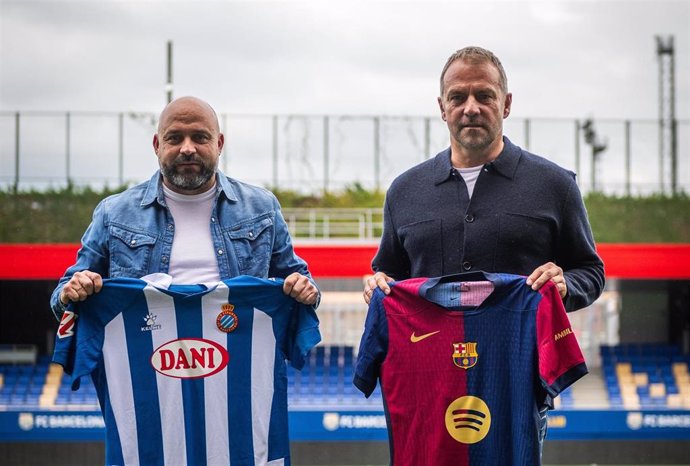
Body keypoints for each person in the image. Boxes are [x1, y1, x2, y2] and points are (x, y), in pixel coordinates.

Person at [362, 46, 605, 453]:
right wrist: (378, 285)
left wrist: (565, 284)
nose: (471, 108)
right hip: (428, 387)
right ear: (442, 108)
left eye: (484, 96)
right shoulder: (404, 191)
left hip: (515, 385)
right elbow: (388, 275)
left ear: (506, 104)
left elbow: (590, 272)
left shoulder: (555, 186)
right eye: (458, 97)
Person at [50, 95, 319, 318]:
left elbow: (301, 283)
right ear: (157, 145)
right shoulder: (114, 213)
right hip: (148, 371)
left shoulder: (262, 208)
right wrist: (71, 291)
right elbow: (62, 296)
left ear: (219, 144)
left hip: (236, 369)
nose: (187, 148)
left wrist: (305, 289)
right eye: (175, 138)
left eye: (200, 137)